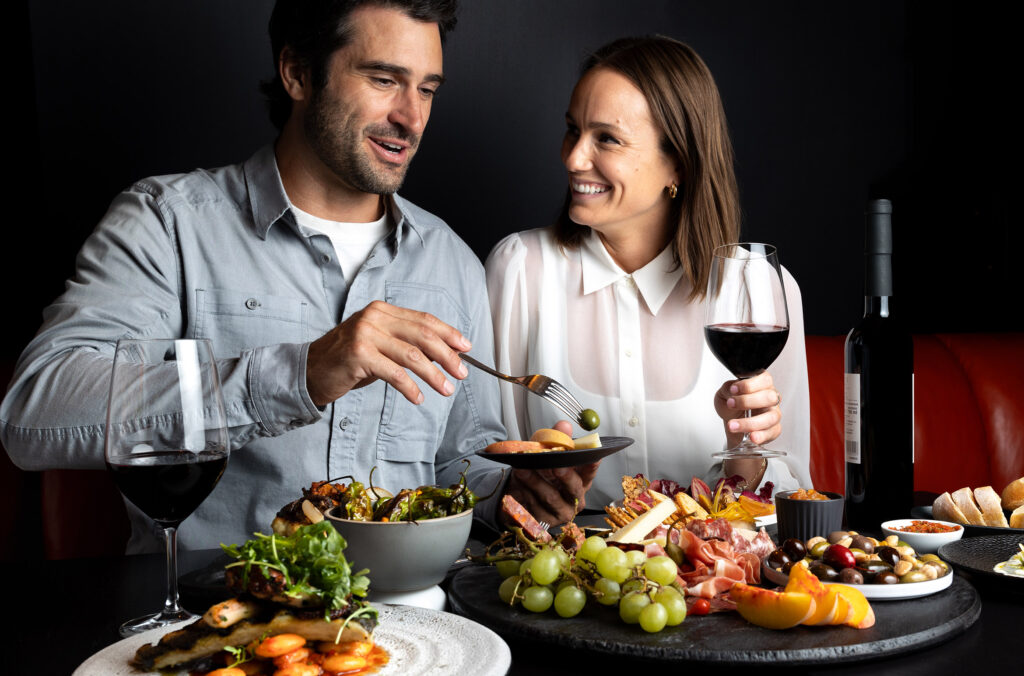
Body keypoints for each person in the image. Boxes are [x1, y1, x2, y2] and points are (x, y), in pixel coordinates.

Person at [0, 0, 587, 552]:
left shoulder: (452, 262)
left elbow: (460, 459)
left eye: (426, 88)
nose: (411, 116)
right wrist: (301, 373)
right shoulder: (167, 223)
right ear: (299, 73)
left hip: (411, 632)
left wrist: (512, 493)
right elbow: (35, 413)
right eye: (384, 80)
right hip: (225, 630)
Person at [485, 35, 813, 508]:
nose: (573, 158)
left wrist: (747, 450)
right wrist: (524, 491)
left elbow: (796, 493)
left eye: (607, 139)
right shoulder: (519, 270)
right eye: (572, 130)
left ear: (677, 163)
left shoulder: (761, 291)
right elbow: (484, 469)